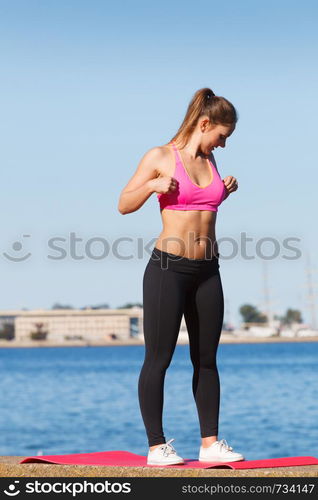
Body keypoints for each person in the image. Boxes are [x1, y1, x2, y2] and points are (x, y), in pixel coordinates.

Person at [118, 87, 244, 466]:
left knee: (207, 360)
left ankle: (210, 444)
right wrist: (152, 185)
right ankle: (157, 447)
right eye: (221, 136)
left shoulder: (210, 162)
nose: (222, 145)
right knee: (159, 359)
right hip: (167, 270)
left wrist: (224, 191)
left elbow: (201, 207)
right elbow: (123, 203)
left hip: (208, 271)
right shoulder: (160, 156)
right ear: (205, 124)